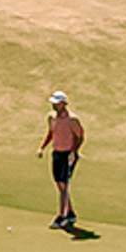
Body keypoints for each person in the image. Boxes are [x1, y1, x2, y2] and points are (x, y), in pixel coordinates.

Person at [41, 91, 85, 231]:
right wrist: (42, 147)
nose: (54, 105)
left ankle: (61, 216)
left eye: (57, 103)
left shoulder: (72, 120)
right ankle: (70, 213)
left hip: (68, 155)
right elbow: (51, 133)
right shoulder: (51, 118)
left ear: (64, 104)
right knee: (59, 185)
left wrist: (74, 151)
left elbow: (80, 137)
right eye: (53, 103)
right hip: (57, 153)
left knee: (64, 185)